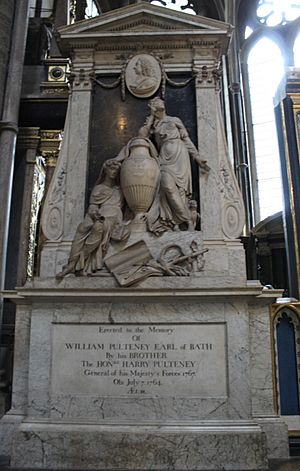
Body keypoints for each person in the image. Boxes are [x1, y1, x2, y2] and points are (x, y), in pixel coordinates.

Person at [140, 97, 209, 230]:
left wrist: (197, 157)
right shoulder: (154, 126)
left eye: (160, 100)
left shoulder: (175, 120)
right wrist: (150, 120)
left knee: (180, 192)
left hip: (180, 156)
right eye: (156, 102)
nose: (160, 102)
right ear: (153, 107)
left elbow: (186, 140)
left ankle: (181, 224)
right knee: (167, 187)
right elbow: (142, 137)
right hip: (164, 158)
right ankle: (185, 219)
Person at [56, 159, 129, 277]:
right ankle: (71, 263)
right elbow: (93, 206)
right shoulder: (98, 188)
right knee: (83, 227)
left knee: (98, 227)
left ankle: (81, 261)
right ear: (105, 170)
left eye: (116, 170)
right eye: (111, 169)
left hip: (114, 216)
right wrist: (95, 214)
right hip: (100, 213)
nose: (114, 172)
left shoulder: (120, 189)